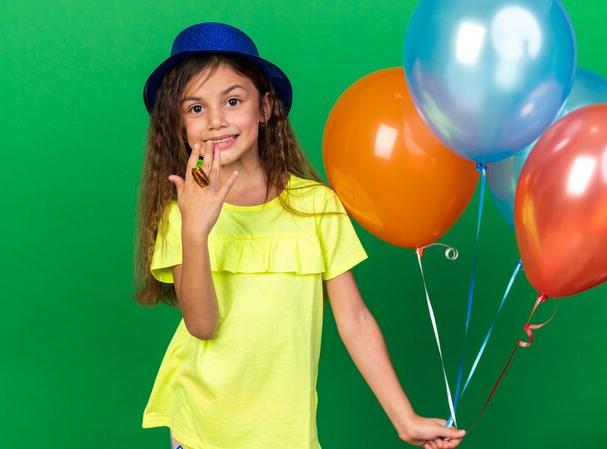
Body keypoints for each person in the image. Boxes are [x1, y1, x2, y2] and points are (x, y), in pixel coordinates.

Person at [134, 22, 466, 449]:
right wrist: (195, 231)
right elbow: (201, 326)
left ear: (265, 108)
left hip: (286, 432)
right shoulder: (182, 212)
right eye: (195, 108)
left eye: (233, 101)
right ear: (179, 124)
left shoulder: (316, 205)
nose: (216, 121)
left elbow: (355, 319)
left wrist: (405, 418)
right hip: (205, 429)